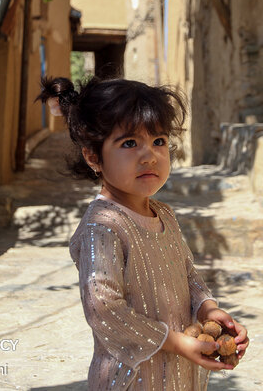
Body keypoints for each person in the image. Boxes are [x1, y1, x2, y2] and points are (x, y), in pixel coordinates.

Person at [38, 76, 249, 390]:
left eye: (159, 141)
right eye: (129, 143)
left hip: (177, 375)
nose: (149, 155)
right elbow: (104, 309)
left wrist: (208, 308)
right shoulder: (104, 227)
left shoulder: (163, 214)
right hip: (132, 379)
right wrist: (175, 342)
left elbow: (187, 274)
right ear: (93, 156)